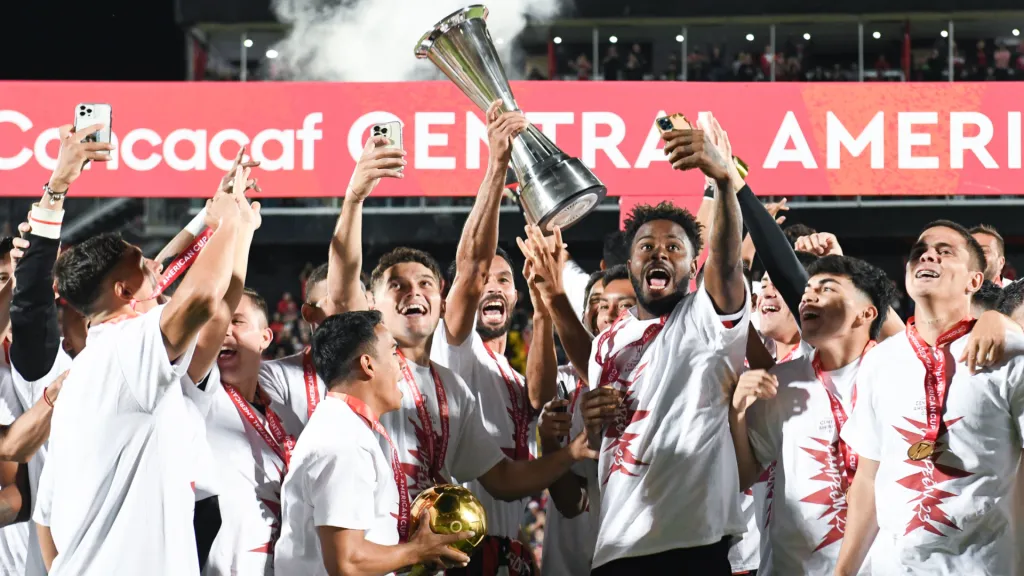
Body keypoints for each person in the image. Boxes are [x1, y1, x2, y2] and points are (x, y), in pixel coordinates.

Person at [327, 133, 597, 576]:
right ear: (373, 304)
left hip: (466, 553)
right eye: (397, 285)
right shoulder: (372, 365)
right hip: (383, 554)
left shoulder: (455, 387)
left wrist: (571, 453)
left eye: (425, 284)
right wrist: (495, 168)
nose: (414, 292)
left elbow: (507, 474)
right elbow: (467, 269)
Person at [41, 170, 253, 575]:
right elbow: (202, 300)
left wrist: (240, 226)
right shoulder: (124, 351)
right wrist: (224, 223)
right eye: (143, 265)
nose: (157, 269)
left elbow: (218, 308)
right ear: (123, 293)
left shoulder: (131, 370)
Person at [583, 113, 750, 574]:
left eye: (675, 247)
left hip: (692, 542)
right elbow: (601, 442)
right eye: (646, 247)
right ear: (630, 263)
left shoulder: (705, 319)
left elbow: (729, 260)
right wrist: (590, 418)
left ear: (694, 264)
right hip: (616, 545)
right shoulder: (606, 342)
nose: (659, 253)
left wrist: (722, 181)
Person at [836, 221, 1024, 575]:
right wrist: (843, 571)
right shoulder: (879, 360)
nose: (927, 255)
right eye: (919, 251)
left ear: (973, 281)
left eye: (945, 251)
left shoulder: (1008, 354)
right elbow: (868, 477)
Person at [274, 311, 474, 576]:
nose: (402, 365)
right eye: (393, 352)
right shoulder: (344, 441)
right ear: (368, 365)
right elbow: (348, 562)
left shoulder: (346, 427)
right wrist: (417, 550)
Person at [730, 255, 896, 574]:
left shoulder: (900, 375)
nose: (808, 296)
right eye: (807, 289)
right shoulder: (780, 381)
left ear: (867, 312)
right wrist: (737, 412)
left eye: (827, 288)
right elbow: (744, 476)